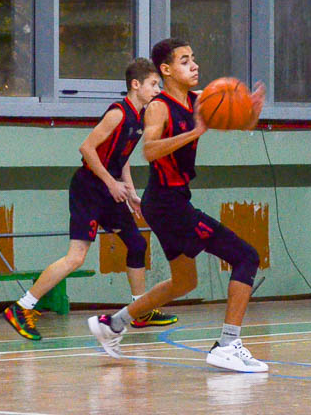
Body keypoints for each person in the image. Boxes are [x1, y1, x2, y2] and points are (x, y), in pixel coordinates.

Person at [88, 38, 269, 373]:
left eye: (194, 58)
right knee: (246, 256)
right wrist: (196, 131)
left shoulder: (201, 100)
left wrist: (250, 110)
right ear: (167, 70)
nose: (194, 65)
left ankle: (113, 324)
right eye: (185, 60)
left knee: (184, 282)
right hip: (167, 203)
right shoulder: (159, 106)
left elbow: (239, 122)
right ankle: (228, 344)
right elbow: (150, 150)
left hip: (171, 201)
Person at [3, 58, 178, 341]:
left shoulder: (139, 118)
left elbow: (122, 160)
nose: (158, 90)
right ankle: (22, 307)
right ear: (136, 85)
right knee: (76, 257)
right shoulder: (118, 114)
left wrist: (130, 192)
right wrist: (111, 184)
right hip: (89, 189)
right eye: (153, 84)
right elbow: (86, 148)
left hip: (111, 191)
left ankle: (140, 310)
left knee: (136, 244)